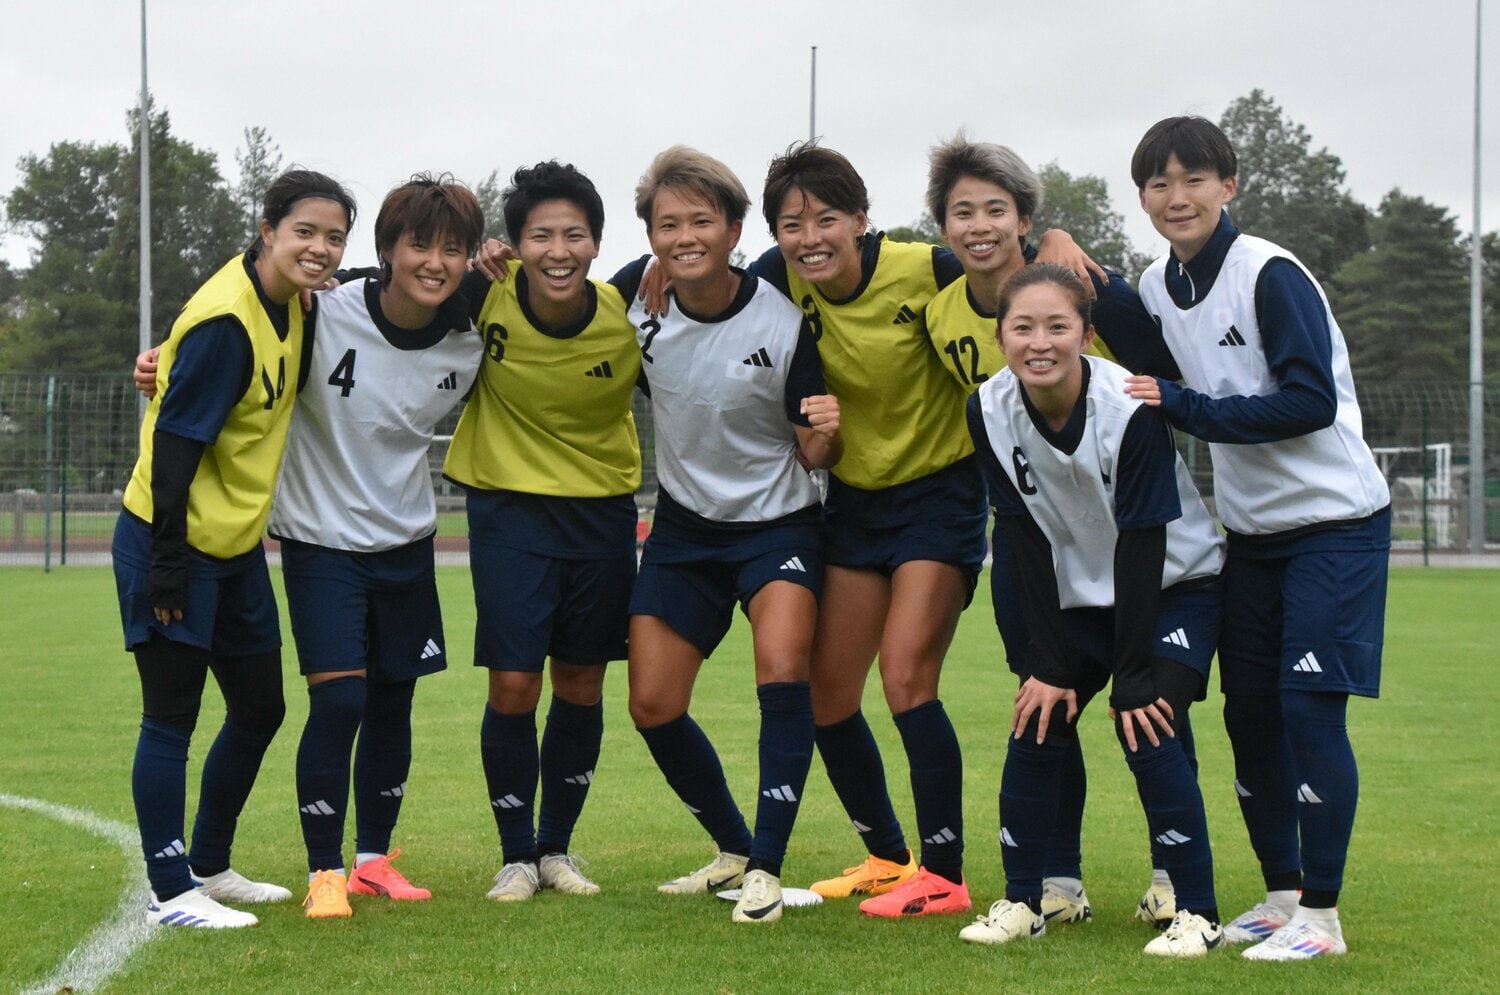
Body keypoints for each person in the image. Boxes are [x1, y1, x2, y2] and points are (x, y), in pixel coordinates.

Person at [1119, 116, 1391, 960]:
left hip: (1335, 522)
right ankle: (1281, 897)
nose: (1177, 196)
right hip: (1252, 535)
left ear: (1228, 185)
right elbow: (1132, 351)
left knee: (1309, 710)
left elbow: (1310, 401)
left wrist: (1186, 407)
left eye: (1193, 179)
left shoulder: (1269, 272)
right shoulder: (1156, 285)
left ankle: (1323, 918)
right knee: (1251, 715)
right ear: (1143, 199)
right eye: (1159, 183)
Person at [923, 134, 1184, 929]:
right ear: (942, 227)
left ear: (1025, 220)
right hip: (1035, 546)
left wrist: (1069, 240)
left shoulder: (1085, 283)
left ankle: (1173, 873)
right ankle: (1058, 882)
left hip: (1130, 539)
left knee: (1152, 703)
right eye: (962, 213)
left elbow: (1170, 376)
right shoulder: (938, 302)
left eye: (996, 210)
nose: (979, 227)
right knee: (1045, 696)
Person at [960, 263, 1226, 957]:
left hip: (1174, 585)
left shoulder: (1128, 407)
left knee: (1147, 721)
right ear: (1000, 336)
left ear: (1085, 334)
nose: (1039, 342)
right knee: (1036, 714)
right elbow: (1019, 535)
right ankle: (1027, 901)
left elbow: (1143, 545)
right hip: (1079, 594)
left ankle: (1197, 912)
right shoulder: (986, 408)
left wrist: (1134, 672)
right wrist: (1049, 664)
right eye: (1023, 327)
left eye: (1058, 326)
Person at [113, 169, 355, 928]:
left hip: (237, 547)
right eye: (304, 232)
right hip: (174, 540)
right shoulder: (227, 322)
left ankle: (209, 864)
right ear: (267, 230)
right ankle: (169, 889)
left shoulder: (296, 302)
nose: (319, 248)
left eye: (334, 237)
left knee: (259, 706)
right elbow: (176, 448)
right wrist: (166, 562)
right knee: (171, 715)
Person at [746, 142, 978, 917]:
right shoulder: (777, 279)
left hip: (939, 497)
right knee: (827, 694)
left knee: (906, 677)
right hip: (852, 503)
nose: (809, 237)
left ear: (860, 219)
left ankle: (944, 875)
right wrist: (648, 275)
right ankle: (886, 856)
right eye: (791, 224)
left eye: (826, 219)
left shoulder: (926, 268)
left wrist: (1056, 242)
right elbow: (706, 288)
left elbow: (1005, 275)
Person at [617, 147, 842, 924]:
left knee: (781, 672)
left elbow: (815, 451)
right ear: (651, 235)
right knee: (652, 703)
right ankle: (735, 848)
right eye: (667, 224)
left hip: (777, 526)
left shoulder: (782, 317)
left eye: (701, 221)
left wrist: (826, 436)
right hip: (684, 531)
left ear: (734, 230)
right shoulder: (634, 299)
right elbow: (551, 301)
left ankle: (767, 870)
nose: (684, 237)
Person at [444, 161, 642, 902]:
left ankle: (556, 848)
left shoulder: (633, 306)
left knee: (582, 682)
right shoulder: (485, 293)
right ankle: (515, 855)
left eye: (574, 235)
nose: (558, 251)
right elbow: (390, 291)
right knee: (515, 681)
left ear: (596, 244)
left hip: (601, 513)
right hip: (508, 510)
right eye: (541, 236)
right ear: (517, 244)